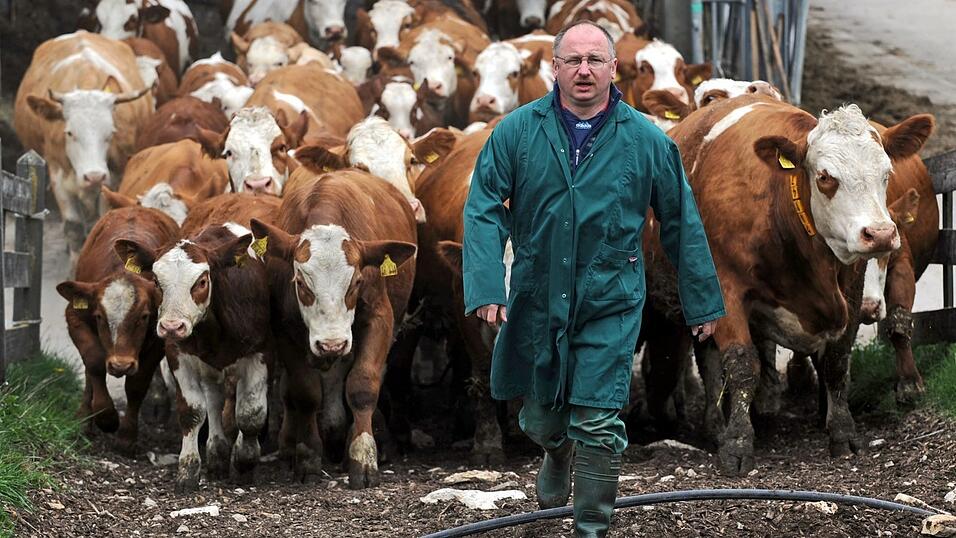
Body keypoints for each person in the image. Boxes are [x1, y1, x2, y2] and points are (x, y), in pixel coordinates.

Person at [461, 20, 726, 537]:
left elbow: (681, 223)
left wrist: (704, 304)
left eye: (595, 60)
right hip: (537, 293)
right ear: (555, 68)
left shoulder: (648, 140)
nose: (584, 70)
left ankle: (591, 529)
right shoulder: (516, 131)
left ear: (612, 68)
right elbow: (484, 206)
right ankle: (556, 452)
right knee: (541, 419)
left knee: (599, 423)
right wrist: (487, 284)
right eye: (574, 60)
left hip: (612, 296)